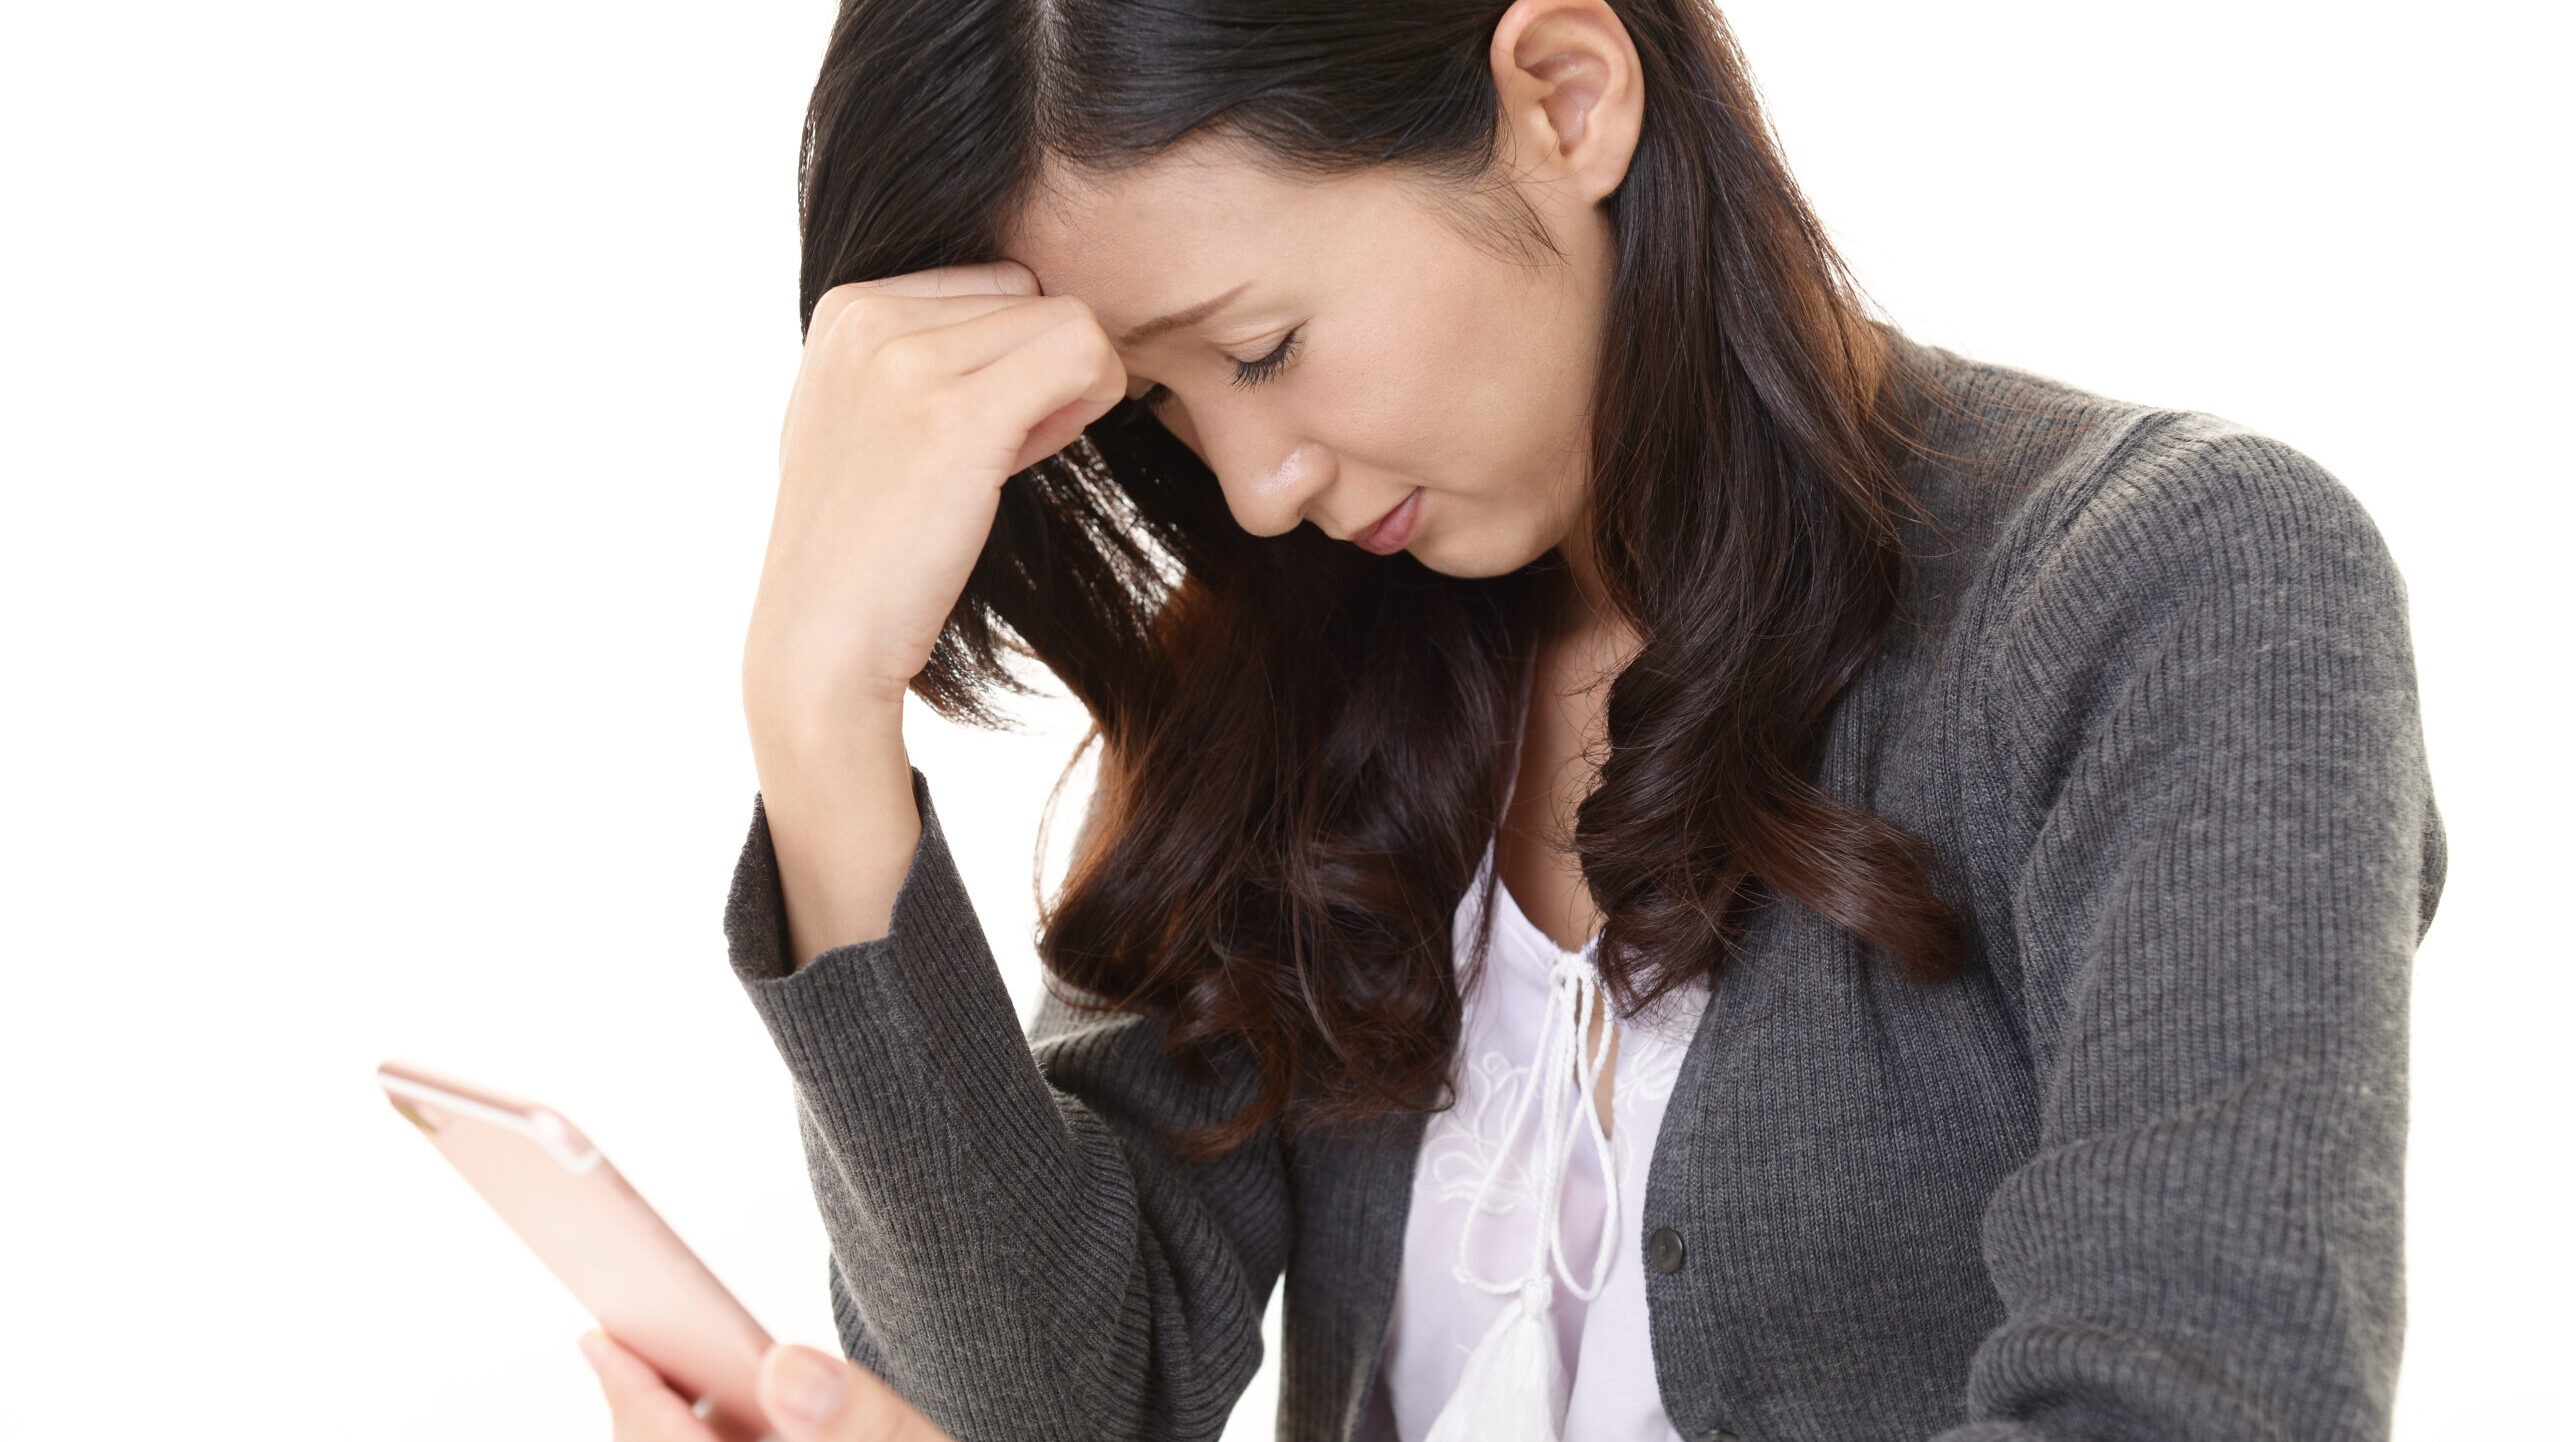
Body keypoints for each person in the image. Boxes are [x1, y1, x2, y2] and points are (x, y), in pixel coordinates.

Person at [581, 0, 2449, 1436]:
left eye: (1260, 347)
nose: (1253, 487)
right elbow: (1052, 1406)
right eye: (1161, 406)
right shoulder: (1286, 673)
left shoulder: (2175, 593)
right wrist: (820, 725)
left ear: (1565, 95)